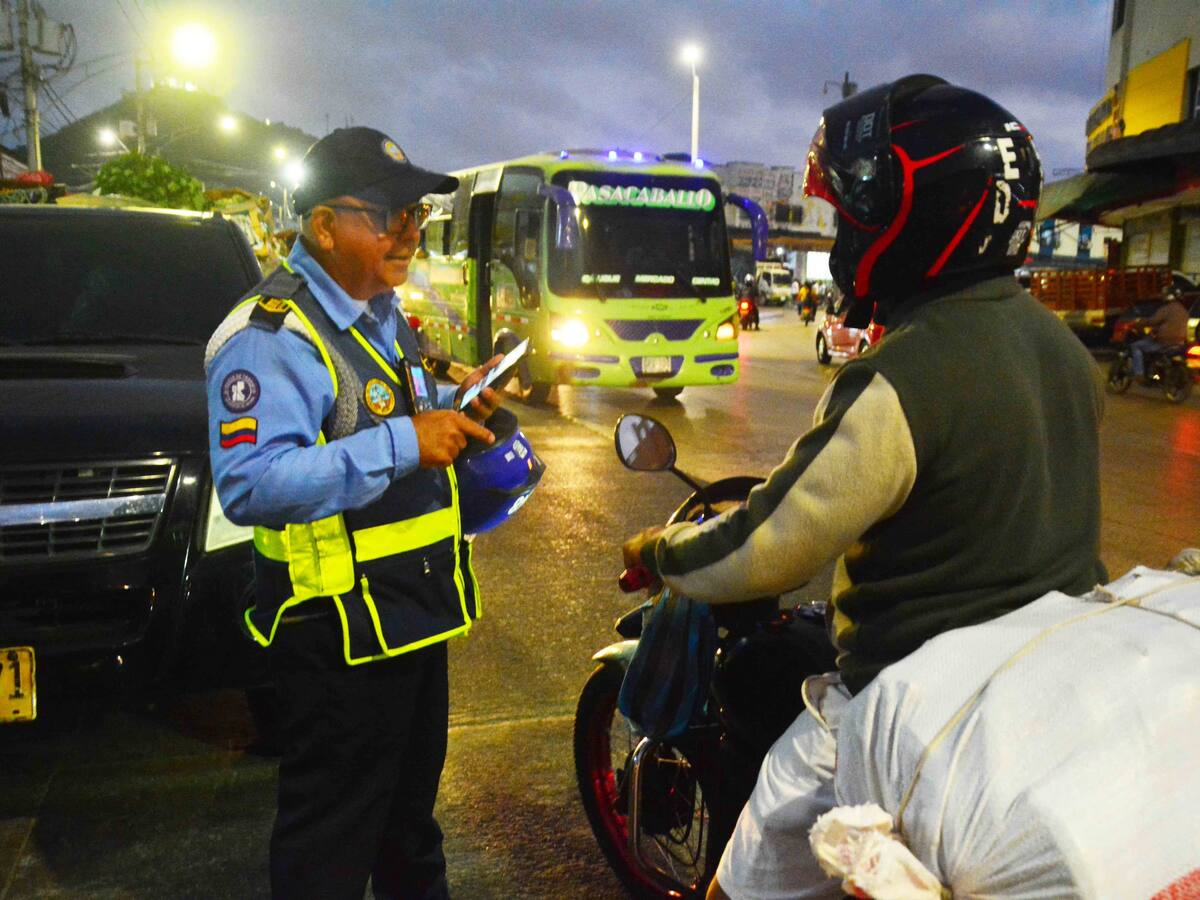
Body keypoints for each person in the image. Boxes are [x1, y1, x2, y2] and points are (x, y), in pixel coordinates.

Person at [623, 75, 1106, 900]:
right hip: (1048, 678)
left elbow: (771, 545)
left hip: (913, 704)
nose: (848, 233)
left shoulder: (902, 374)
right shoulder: (1061, 349)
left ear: (926, 216)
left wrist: (661, 551)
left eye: (857, 215)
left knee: (741, 882)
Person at [205, 127, 506, 900]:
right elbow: (251, 483)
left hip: (410, 618)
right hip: (333, 638)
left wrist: (454, 405)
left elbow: (381, 411)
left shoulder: (380, 313)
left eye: (415, 214)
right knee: (329, 850)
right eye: (388, 215)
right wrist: (408, 442)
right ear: (324, 225)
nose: (409, 231)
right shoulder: (269, 337)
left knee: (411, 835)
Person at [1130, 288, 1189, 377]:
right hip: (1179, 343)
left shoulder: (1166, 309)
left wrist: (1140, 322)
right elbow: (1169, 324)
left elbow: (1153, 321)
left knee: (1135, 346)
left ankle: (1139, 374)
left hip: (1163, 342)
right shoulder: (1184, 311)